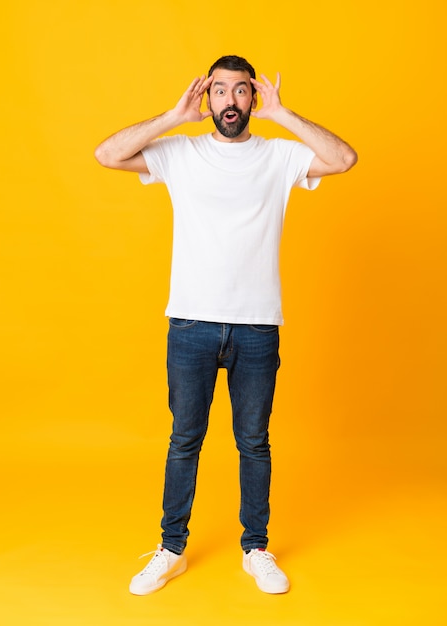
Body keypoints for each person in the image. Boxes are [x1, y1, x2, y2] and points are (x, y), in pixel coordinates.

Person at [95, 54, 357, 596]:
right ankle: (170, 549)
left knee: (253, 441)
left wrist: (284, 114)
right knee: (183, 440)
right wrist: (173, 116)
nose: (230, 101)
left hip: (257, 327)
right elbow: (106, 154)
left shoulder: (281, 157)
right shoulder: (182, 153)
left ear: (252, 100)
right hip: (190, 323)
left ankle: (256, 548)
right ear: (206, 98)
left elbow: (344, 158)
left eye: (241, 91)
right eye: (219, 91)